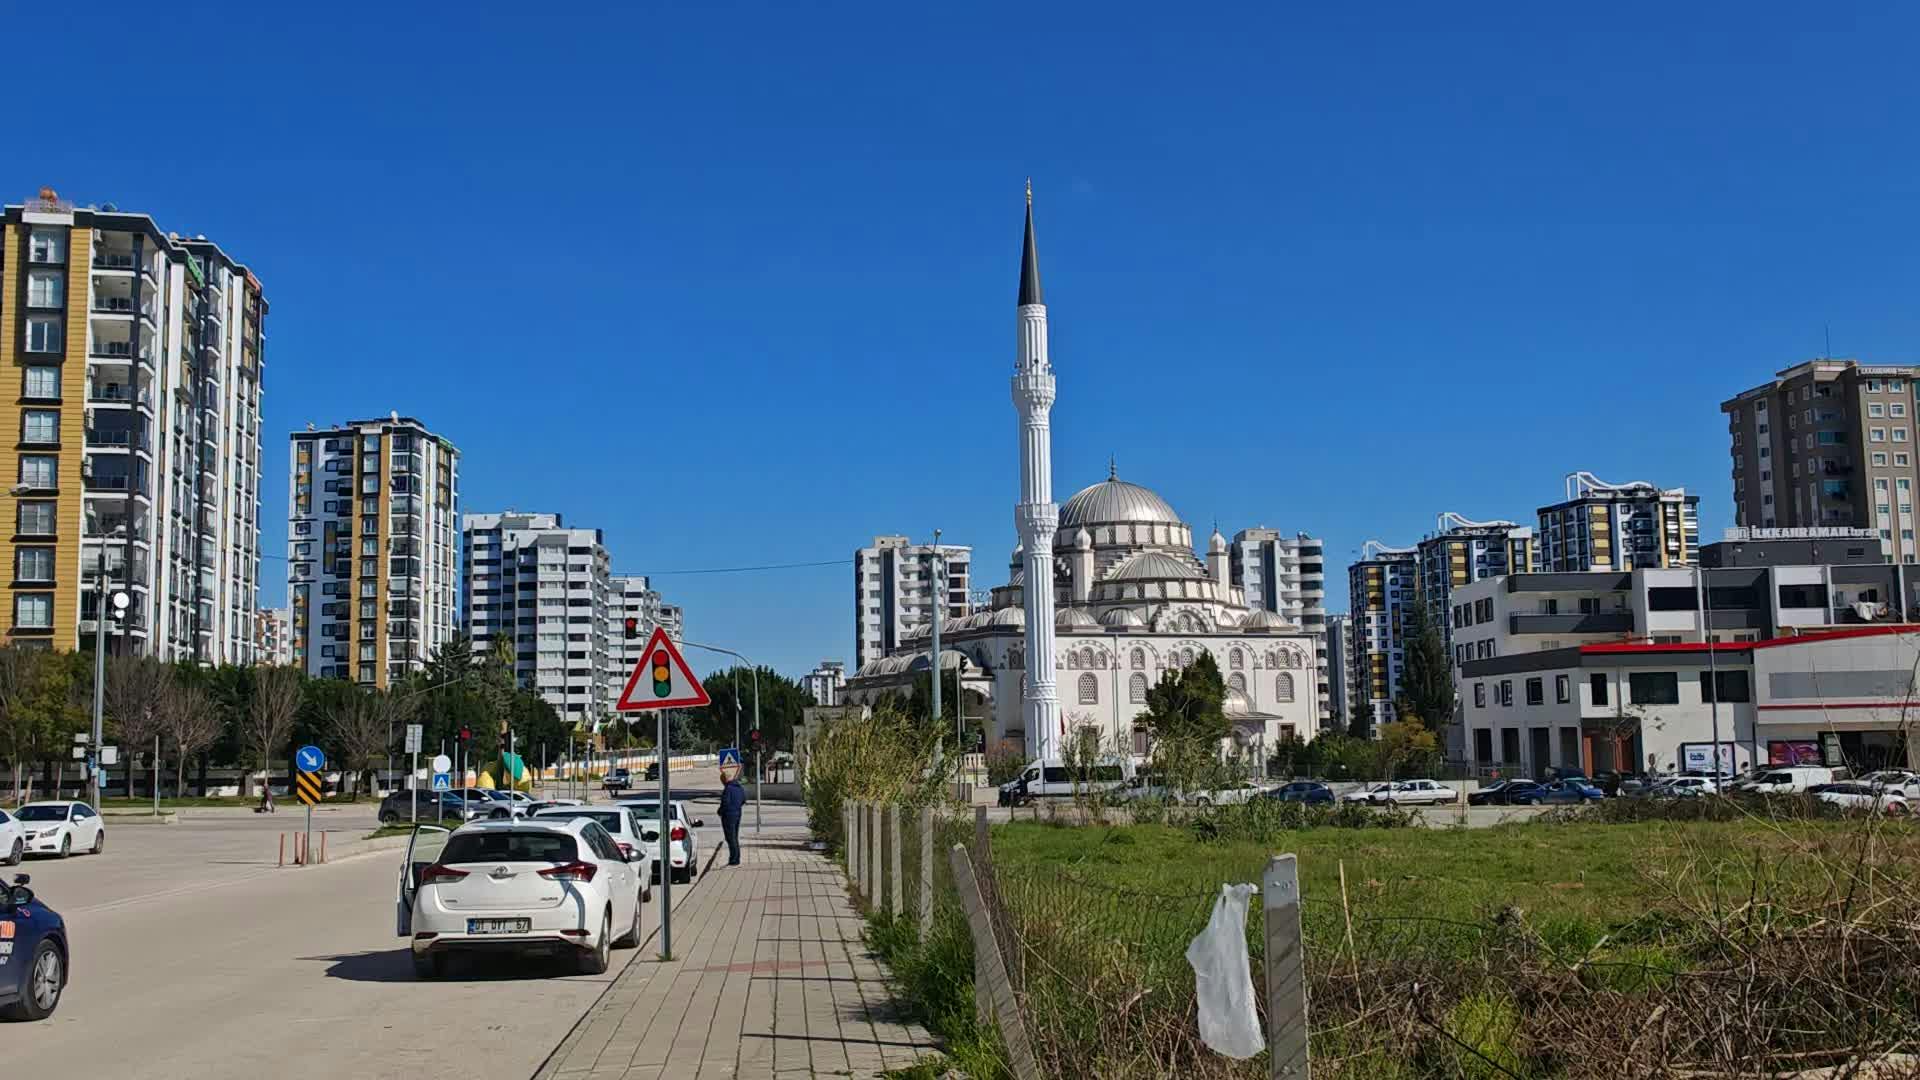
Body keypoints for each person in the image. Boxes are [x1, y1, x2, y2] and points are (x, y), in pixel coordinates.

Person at [719, 766, 747, 866]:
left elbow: (725, 803)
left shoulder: (728, 789)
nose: (722, 783)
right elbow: (743, 800)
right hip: (738, 814)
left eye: (722, 781)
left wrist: (720, 811)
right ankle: (736, 857)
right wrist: (736, 806)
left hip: (728, 816)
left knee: (730, 838)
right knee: (735, 837)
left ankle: (734, 859)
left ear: (725, 780)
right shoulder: (739, 787)